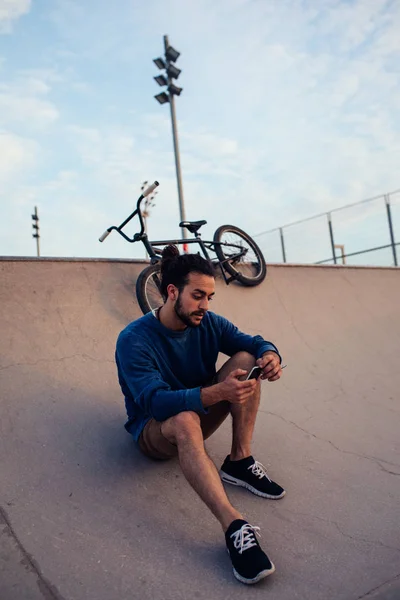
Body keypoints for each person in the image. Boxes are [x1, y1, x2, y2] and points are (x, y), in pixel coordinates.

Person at [115, 245, 285, 585]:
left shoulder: (208, 322)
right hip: (157, 431)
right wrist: (220, 392)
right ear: (172, 291)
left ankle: (239, 461)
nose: (205, 306)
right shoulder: (134, 339)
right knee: (183, 418)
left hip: (199, 408)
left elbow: (251, 341)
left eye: (209, 297)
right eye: (197, 296)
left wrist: (269, 354)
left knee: (245, 360)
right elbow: (158, 404)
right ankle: (234, 525)